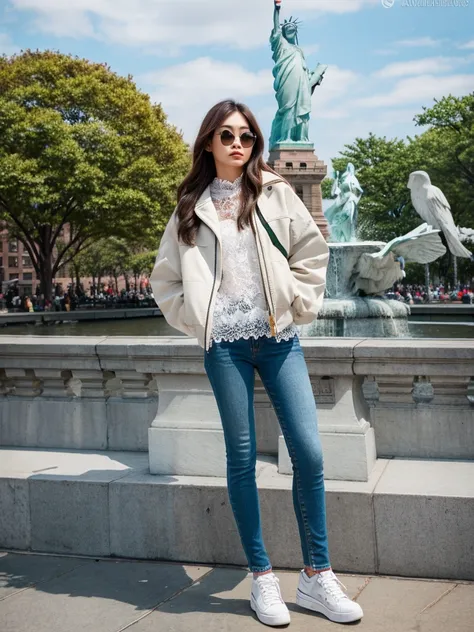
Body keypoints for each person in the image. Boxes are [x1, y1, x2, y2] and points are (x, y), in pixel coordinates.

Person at [150, 99, 363, 627]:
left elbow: (312, 252)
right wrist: (201, 319)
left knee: (310, 454)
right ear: (208, 143)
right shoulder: (189, 207)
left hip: (278, 336)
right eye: (226, 135)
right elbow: (164, 282)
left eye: (245, 135)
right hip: (224, 345)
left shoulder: (275, 191)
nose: (238, 143)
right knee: (242, 458)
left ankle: (317, 576)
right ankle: (262, 577)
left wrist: (299, 302)